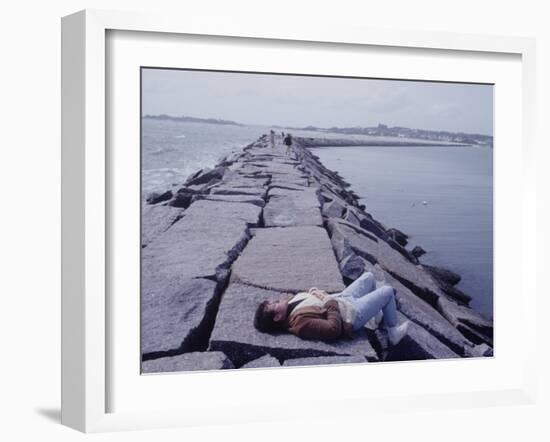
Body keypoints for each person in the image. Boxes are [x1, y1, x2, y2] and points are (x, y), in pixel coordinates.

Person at [253, 271, 410, 345]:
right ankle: (393, 332)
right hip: (350, 314)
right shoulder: (300, 323)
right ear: (278, 317)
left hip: (343, 298)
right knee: (388, 291)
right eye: (274, 303)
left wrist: (314, 292)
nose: (277, 299)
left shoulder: (289, 305)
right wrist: (329, 301)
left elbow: (310, 299)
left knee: (368, 276)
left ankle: (378, 315)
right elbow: (333, 329)